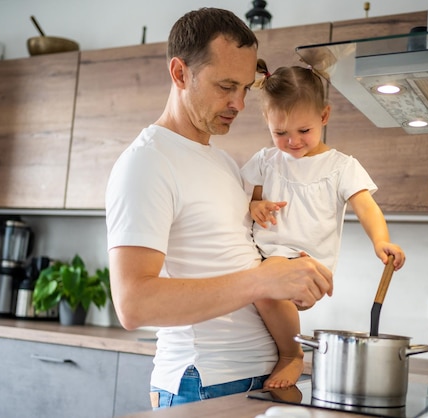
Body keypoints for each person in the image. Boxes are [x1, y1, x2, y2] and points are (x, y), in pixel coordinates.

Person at [105, 8, 333, 409]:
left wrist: (289, 280)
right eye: (226, 86)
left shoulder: (224, 163)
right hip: (203, 381)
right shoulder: (147, 162)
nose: (240, 103)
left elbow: (236, 264)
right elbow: (133, 304)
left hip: (261, 379)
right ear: (180, 74)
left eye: (246, 87)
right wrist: (264, 280)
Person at [242, 58, 406, 388]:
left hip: (310, 261)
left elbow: (366, 206)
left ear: (324, 116)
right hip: (270, 255)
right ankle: (291, 353)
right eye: (280, 132)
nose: (293, 141)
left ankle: (292, 355)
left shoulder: (341, 166)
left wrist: (381, 240)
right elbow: (247, 199)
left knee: (267, 288)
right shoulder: (266, 161)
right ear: (267, 123)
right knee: (266, 290)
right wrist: (256, 205)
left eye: (304, 130)